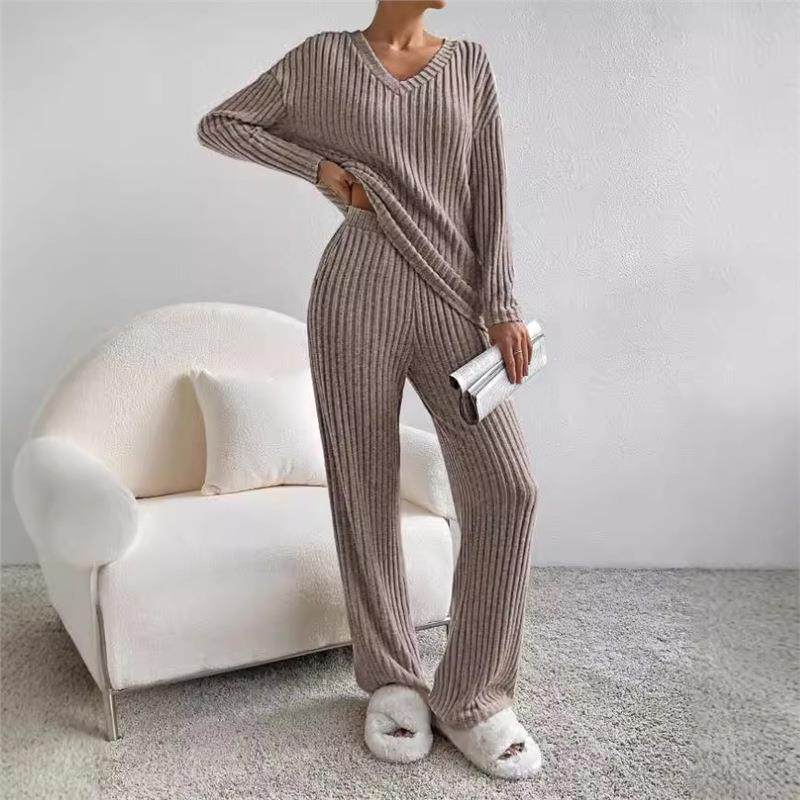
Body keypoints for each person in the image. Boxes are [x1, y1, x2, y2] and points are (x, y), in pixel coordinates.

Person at [197, 0, 542, 781]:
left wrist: (501, 304)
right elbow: (223, 124)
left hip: (455, 298)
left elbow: (490, 193)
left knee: (509, 489)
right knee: (365, 487)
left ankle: (474, 695)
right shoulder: (324, 59)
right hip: (356, 291)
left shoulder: (469, 65)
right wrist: (318, 170)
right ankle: (391, 676)